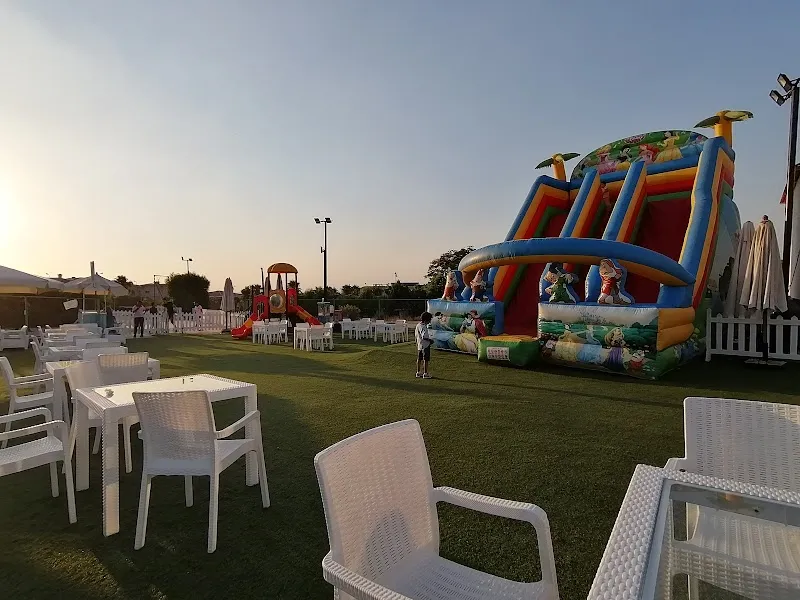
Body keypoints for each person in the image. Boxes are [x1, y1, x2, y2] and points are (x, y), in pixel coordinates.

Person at [415, 311, 434, 379]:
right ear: (426, 320)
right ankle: (425, 373)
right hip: (425, 345)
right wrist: (430, 341)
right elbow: (424, 336)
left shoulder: (418, 325)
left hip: (419, 345)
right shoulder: (424, 327)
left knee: (419, 358)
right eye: (430, 320)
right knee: (426, 359)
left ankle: (418, 372)